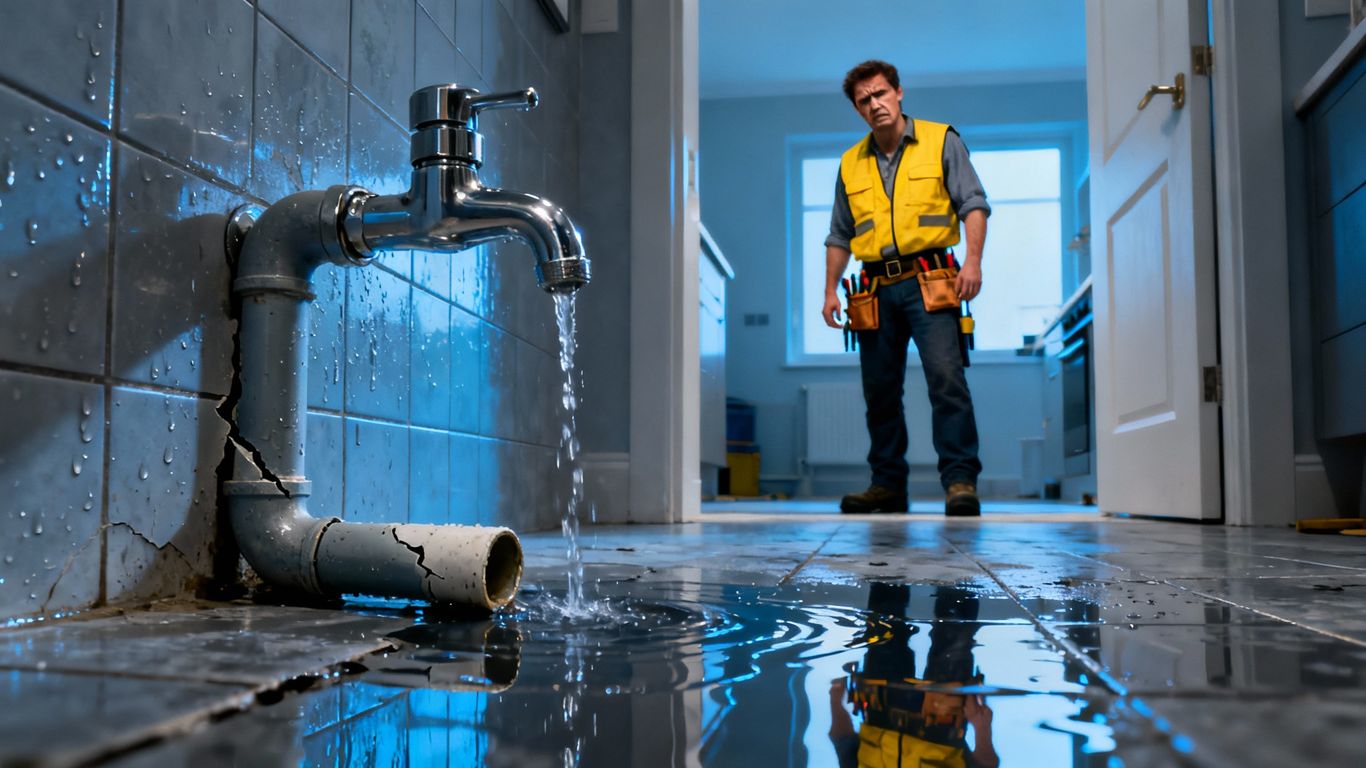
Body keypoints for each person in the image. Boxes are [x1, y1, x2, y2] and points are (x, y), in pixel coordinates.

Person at [822, 59, 990, 517]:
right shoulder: (850, 163)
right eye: (864, 100)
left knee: (947, 381)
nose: (874, 104)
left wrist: (973, 262)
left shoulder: (941, 140)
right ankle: (887, 485)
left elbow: (973, 203)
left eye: (880, 93)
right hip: (873, 290)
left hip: (932, 280)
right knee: (879, 391)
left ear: (898, 92)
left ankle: (960, 482)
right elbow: (839, 234)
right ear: (857, 110)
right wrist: (830, 290)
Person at [827, 583, 1000, 768]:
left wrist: (836, 697)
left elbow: (841, 739)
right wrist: (981, 727)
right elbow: (987, 764)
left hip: (881, 708)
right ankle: (958, 579)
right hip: (941, 724)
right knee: (954, 631)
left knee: (885, 623)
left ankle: (888, 573)